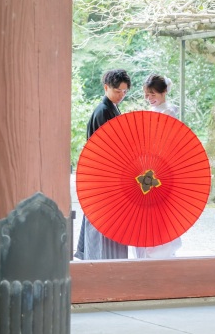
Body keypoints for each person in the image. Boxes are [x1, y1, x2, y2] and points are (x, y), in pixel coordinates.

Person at [74, 68, 131, 261]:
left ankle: (109, 261)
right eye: (117, 91)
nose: (121, 95)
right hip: (103, 176)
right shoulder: (103, 111)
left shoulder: (112, 108)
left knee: (109, 224)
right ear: (106, 87)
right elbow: (104, 148)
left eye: (124, 92)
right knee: (101, 223)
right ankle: (99, 262)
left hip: (111, 174)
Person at [129, 73, 183, 259]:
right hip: (147, 165)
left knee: (158, 209)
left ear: (165, 91)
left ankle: (160, 252)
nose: (149, 98)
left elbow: (167, 143)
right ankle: (147, 250)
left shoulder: (169, 112)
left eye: (153, 94)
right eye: (146, 95)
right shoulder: (153, 112)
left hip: (161, 167)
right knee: (145, 212)